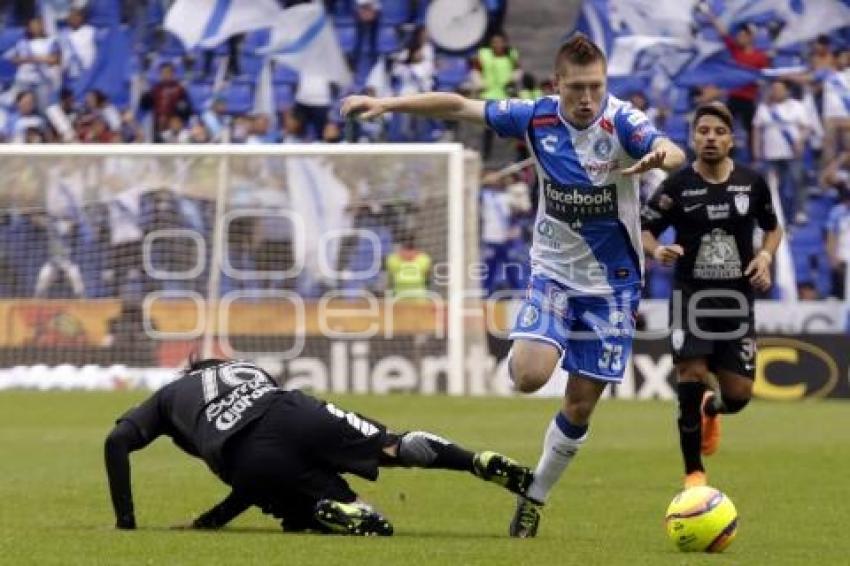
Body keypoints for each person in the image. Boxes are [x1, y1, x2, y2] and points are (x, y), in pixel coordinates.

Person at [341, 33, 686, 537]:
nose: (587, 99)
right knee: (528, 375)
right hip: (553, 275)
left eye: (596, 87)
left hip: (614, 287)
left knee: (581, 405)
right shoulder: (535, 116)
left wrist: (660, 155)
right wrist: (387, 102)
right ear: (557, 85)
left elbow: (670, 148)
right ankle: (535, 338)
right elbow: (459, 105)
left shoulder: (623, 121)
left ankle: (534, 496)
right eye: (577, 89)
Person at [105, 358, 533, 535]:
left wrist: (127, 522)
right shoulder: (247, 369)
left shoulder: (167, 396)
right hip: (293, 408)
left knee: (346, 519)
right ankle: (475, 460)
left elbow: (116, 441)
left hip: (247, 459)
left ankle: (341, 509)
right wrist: (211, 520)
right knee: (391, 445)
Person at [640, 102, 783, 489]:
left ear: (731, 140)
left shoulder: (752, 184)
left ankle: (713, 407)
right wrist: (657, 251)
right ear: (693, 137)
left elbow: (773, 228)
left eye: (718, 132)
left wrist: (766, 256)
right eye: (703, 131)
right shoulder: (677, 187)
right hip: (691, 298)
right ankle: (693, 472)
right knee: (691, 373)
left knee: (738, 395)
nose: (710, 138)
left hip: (737, 302)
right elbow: (644, 229)